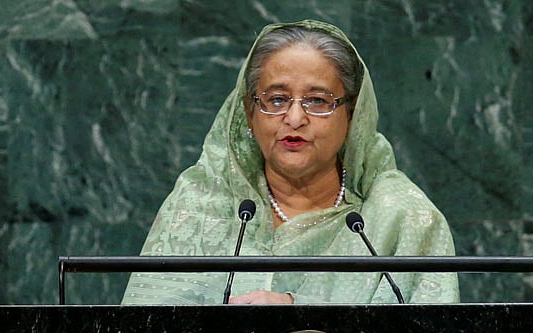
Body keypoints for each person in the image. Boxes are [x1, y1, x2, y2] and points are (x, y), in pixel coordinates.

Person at [122, 19, 459, 305]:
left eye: (317, 100)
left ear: (352, 114)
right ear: (249, 113)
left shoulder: (402, 219)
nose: (295, 117)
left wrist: (298, 312)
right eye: (277, 99)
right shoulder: (198, 206)